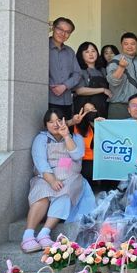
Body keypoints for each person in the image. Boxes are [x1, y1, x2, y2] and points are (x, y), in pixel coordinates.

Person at [22, 108, 92, 252]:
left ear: (65, 121)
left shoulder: (76, 138)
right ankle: (28, 236)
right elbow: (40, 162)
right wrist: (52, 180)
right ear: (45, 124)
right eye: (50, 122)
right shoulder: (41, 139)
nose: (55, 124)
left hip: (71, 176)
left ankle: (44, 233)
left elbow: (77, 156)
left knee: (65, 192)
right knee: (41, 194)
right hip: (47, 176)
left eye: (59, 120)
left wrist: (66, 136)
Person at [106, 32, 137, 119]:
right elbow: (113, 81)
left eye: (133, 44)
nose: (129, 46)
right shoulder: (115, 61)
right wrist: (121, 67)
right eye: (126, 44)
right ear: (121, 45)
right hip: (119, 107)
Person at [48, 17, 81, 120]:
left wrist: (65, 86)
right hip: (47, 99)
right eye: (60, 29)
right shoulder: (43, 47)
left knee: (67, 127)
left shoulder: (70, 51)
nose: (63, 34)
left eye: (67, 32)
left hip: (67, 101)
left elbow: (77, 73)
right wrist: (51, 84)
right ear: (53, 28)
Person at [69, 102, 105, 191]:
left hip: (98, 160)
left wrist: (103, 125)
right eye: (87, 110)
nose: (90, 112)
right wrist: (73, 121)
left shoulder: (102, 124)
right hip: (81, 161)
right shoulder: (74, 127)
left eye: (93, 109)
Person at [73, 41, 111, 118]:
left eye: (93, 51)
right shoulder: (79, 71)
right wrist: (103, 90)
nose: (91, 54)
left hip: (102, 107)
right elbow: (79, 91)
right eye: (87, 52)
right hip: (85, 108)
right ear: (81, 55)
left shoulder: (103, 70)